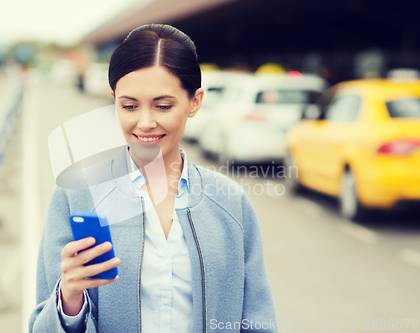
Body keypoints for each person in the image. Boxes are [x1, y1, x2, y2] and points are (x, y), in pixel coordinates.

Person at [29, 23, 278, 333]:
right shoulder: (76, 194)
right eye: (129, 106)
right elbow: (42, 324)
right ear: (113, 101)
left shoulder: (230, 202)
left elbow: (257, 321)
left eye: (163, 105)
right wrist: (69, 300)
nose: (145, 123)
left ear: (195, 102)